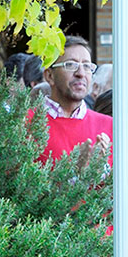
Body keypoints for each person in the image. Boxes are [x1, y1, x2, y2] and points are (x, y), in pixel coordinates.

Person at [29, 35, 112, 164]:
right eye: (71, 65)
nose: (81, 73)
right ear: (49, 76)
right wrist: (75, 173)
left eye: (86, 66)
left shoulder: (109, 126)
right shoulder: (25, 123)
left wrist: (100, 170)